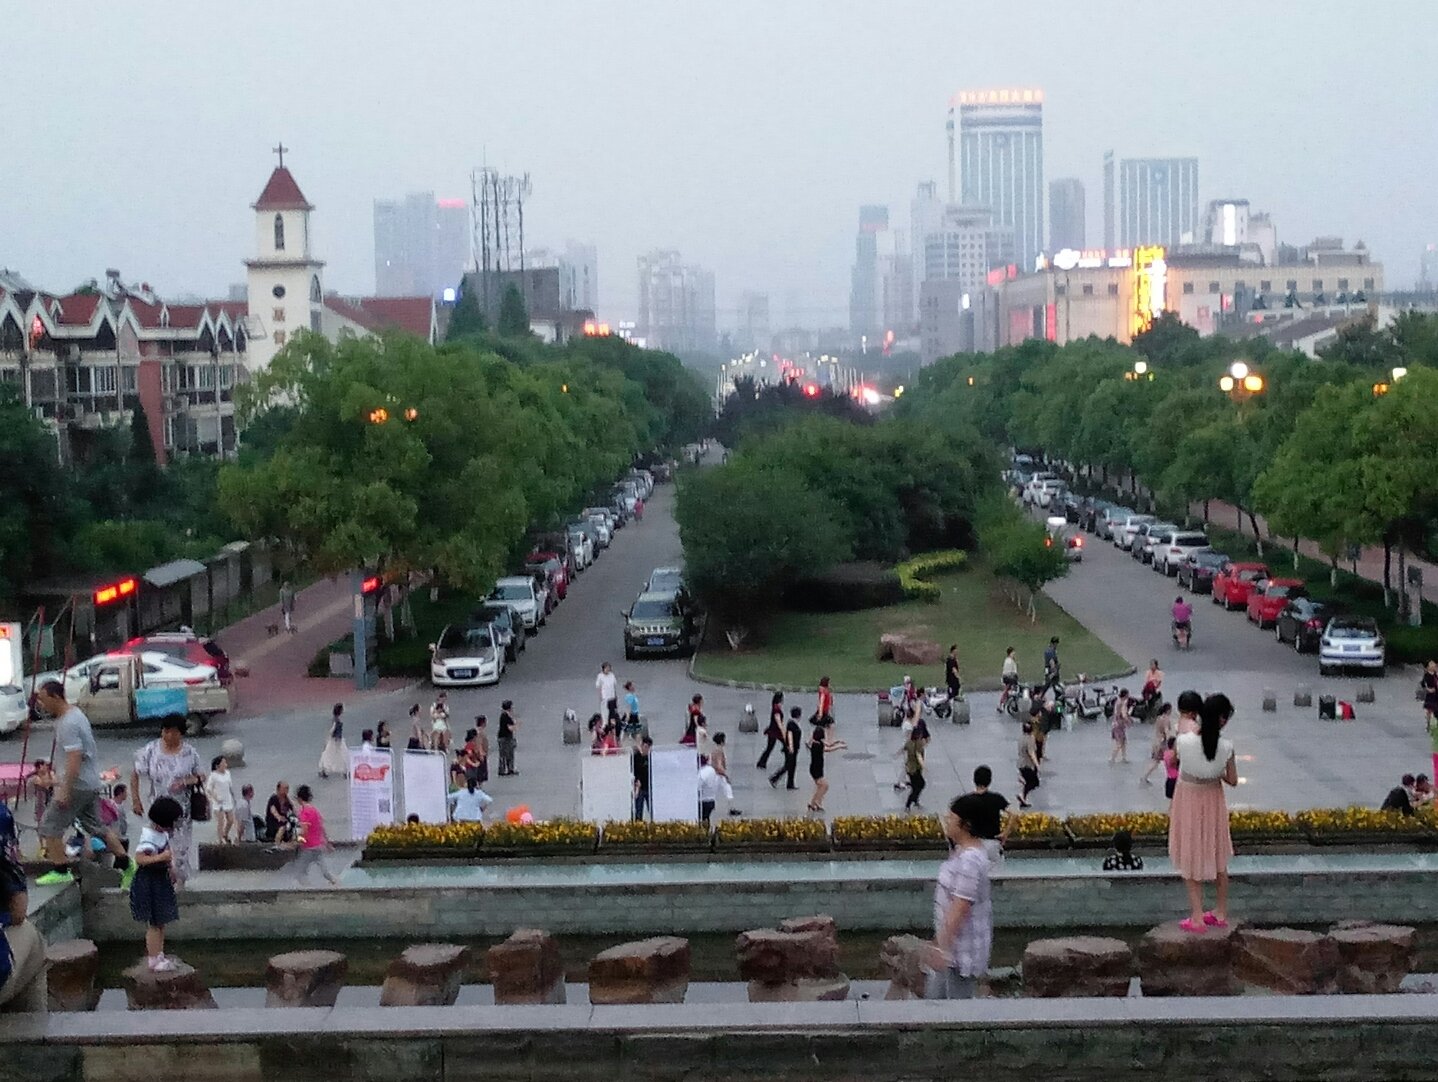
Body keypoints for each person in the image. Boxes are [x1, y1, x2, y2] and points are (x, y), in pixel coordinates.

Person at [34, 681, 131, 886]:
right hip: (90, 783)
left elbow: (74, 757)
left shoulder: (68, 723)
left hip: (76, 785)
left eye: (42, 699)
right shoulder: (75, 715)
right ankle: (127, 864)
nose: (40, 704)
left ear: (55, 697)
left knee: (49, 826)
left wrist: (64, 790)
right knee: (97, 827)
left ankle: (61, 870)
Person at [1168, 693, 1237, 933]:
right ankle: (1220, 912)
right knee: (1217, 855)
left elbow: (1173, 762)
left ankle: (1197, 916)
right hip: (1213, 799)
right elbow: (1233, 780)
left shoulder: (1183, 741)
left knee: (1190, 853)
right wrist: (1215, 772)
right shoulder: (1227, 747)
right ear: (1223, 720)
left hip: (1188, 798)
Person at [924, 793, 993, 1000]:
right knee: (935, 1000)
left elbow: (961, 905)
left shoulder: (970, 861)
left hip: (961, 950)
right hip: (952, 949)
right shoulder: (963, 852)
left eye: (951, 818)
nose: (947, 821)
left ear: (966, 825)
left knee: (955, 1006)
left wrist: (941, 946)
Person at [130, 715, 203, 887]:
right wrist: (136, 800)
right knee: (157, 842)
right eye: (166, 731)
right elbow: (135, 773)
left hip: (181, 809)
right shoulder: (151, 750)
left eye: (173, 732)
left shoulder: (190, 753)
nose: (168, 735)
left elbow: (200, 776)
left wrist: (184, 781)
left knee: (180, 847)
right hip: (158, 808)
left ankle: (179, 881)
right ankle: (161, 878)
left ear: (181, 733)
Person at [129, 796, 184, 972]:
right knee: (153, 922)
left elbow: (167, 856)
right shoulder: (149, 836)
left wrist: (171, 869)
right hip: (149, 881)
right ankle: (153, 959)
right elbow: (139, 859)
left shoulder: (162, 834)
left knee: (161, 920)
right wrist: (161, 857)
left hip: (160, 879)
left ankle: (159, 953)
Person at [291, 784, 339, 886]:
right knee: (325, 871)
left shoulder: (304, 812)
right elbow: (321, 827)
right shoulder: (314, 810)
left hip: (308, 847)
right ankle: (336, 883)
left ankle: (308, 889)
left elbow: (304, 830)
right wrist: (327, 842)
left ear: (299, 798)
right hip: (318, 845)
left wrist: (297, 841)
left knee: (300, 872)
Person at [967, 766, 1010, 867]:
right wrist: (1005, 833)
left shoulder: (968, 800)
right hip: (992, 843)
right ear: (990, 781)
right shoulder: (996, 798)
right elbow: (1013, 814)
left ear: (974, 780)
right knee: (997, 873)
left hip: (975, 844)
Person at [806, 717, 846, 814]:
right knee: (824, 786)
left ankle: (815, 803)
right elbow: (828, 749)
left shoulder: (817, 742)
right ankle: (814, 802)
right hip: (816, 769)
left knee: (820, 786)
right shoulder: (817, 745)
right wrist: (840, 747)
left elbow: (828, 744)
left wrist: (838, 742)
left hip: (816, 768)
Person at [769, 707, 805, 790]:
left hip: (793, 748)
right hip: (791, 748)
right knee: (789, 765)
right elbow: (789, 735)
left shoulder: (793, 723)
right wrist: (790, 747)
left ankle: (789, 783)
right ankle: (775, 778)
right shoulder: (791, 724)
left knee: (791, 765)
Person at [204, 756, 236, 845]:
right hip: (218, 802)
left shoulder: (228, 773)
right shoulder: (213, 775)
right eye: (223, 763)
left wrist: (233, 796)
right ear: (218, 765)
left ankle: (225, 834)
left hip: (227, 800)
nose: (225, 764)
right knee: (221, 822)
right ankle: (220, 839)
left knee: (230, 820)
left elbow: (230, 786)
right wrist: (215, 798)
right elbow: (208, 789)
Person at [1141, 703, 1174, 785]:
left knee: (1155, 761)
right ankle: (1171, 777)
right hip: (1162, 743)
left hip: (1156, 741)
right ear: (1168, 710)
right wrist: (1171, 741)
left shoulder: (1159, 718)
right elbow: (1166, 731)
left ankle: (1145, 777)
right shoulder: (1166, 719)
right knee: (1169, 761)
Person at [319, 703, 348, 779]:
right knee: (342, 754)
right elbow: (333, 730)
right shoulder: (337, 720)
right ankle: (344, 771)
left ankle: (325, 769)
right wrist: (335, 738)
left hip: (335, 739)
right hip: (336, 740)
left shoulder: (335, 719)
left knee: (329, 754)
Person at [757, 692, 784, 769]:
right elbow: (778, 721)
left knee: (770, 747)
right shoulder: (776, 709)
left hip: (774, 730)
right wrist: (783, 730)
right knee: (770, 747)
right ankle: (761, 762)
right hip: (775, 731)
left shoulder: (775, 707)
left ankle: (762, 762)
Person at [1016, 720, 1040, 808]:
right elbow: (1031, 753)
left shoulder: (1021, 738)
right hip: (1027, 764)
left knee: (1029, 782)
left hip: (1020, 763)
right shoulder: (1030, 739)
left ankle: (1023, 800)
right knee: (1034, 782)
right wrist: (1036, 764)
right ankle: (1022, 794)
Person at [903, 724, 926, 811]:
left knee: (916, 785)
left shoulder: (909, 743)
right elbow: (918, 755)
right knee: (919, 785)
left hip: (910, 768)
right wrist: (923, 765)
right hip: (915, 769)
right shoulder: (918, 745)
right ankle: (908, 804)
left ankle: (915, 800)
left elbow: (904, 748)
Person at [697, 755, 722, 828]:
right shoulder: (711, 770)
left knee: (701, 819)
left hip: (703, 801)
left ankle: (703, 832)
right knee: (706, 818)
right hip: (711, 799)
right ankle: (707, 831)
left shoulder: (701, 773)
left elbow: (697, 787)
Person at [632, 736, 653, 821]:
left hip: (648, 787)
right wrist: (636, 783)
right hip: (639, 787)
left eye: (648, 747)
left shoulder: (650, 758)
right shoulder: (636, 757)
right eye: (645, 747)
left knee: (651, 809)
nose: (646, 749)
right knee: (638, 810)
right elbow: (634, 771)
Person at [31, 759, 54, 833]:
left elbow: (55, 781)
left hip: (49, 797)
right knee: (41, 814)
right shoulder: (36, 777)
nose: (46, 767)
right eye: (44, 765)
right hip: (41, 799)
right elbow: (43, 784)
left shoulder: (50, 774)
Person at [1110, 689, 1131, 764]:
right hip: (1119, 725)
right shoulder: (1122, 703)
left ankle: (1123, 758)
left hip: (1115, 724)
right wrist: (1128, 721)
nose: (1129, 695)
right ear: (1125, 695)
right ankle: (1112, 759)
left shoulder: (1117, 701)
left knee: (1123, 742)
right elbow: (1124, 714)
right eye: (1128, 694)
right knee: (1119, 743)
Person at [497, 701, 518, 776]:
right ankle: (505, 769)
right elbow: (510, 727)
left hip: (505, 737)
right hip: (505, 737)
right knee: (506, 754)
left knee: (507, 753)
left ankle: (507, 769)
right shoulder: (505, 716)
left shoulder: (505, 715)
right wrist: (516, 725)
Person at [997, 648, 1019, 713]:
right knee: (1006, 691)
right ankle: (1001, 705)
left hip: (1008, 678)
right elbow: (1009, 672)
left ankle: (1003, 704)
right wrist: (1014, 676)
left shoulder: (1008, 660)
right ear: (1010, 653)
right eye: (1013, 653)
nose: (1014, 654)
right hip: (1009, 679)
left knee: (1007, 691)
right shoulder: (1009, 661)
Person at [473, 716, 490, 784]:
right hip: (480, 754)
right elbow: (479, 743)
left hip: (481, 753)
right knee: (480, 773)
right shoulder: (479, 732)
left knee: (481, 773)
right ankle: (479, 786)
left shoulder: (479, 731)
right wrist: (481, 753)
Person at [1423, 660, 1438, 734]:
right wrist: (1429, 689)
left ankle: (1434, 724)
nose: (1433, 666)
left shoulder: (1435, 675)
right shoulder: (1427, 675)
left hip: (1436, 694)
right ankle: (1428, 725)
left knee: (1435, 710)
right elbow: (1424, 684)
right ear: (1428, 667)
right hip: (1430, 695)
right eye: (1431, 665)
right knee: (1429, 710)